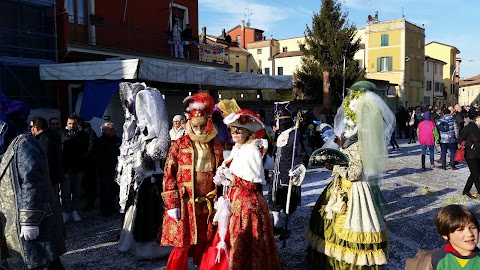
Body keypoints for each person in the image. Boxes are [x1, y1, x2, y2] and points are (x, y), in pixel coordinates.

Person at [307, 81, 395, 269]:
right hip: (341, 186)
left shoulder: (360, 144)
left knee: (351, 228)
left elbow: (354, 173)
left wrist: (336, 166)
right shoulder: (350, 140)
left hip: (354, 191)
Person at [200, 110, 281, 270]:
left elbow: (252, 184)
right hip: (235, 201)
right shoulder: (238, 149)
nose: (235, 134)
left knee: (247, 245)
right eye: (232, 131)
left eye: (239, 131)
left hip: (248, 206)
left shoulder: (251, 151)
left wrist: (230, 177)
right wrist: (224, 177)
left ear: (247, 133)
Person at [160, 92, 223, 269]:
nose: (199, 129)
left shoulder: (215, 145)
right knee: (182, 244)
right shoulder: (179, 144)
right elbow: (168, 174)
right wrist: (172, 204)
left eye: (203, 125)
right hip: (185, 203)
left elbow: (221, 173)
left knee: (205, 241)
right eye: (195, 125)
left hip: (208, 204)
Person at [116, 82, 171, 259]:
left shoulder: (154, 142)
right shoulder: (135, 136)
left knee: (150, 216)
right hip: (140, 185)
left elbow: (156, 156)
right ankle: (136, 243)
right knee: (137, 213)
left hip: (151, 186)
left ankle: (152, 246)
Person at [0, 133, 66, 270]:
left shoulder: (24, 143)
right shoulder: (8, 147)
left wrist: (29, 220)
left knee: (42, 262)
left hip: (31, 223)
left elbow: (33, 181)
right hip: (12, 223)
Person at [269, 101, 307, 239]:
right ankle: (277, 224)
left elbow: (302, 154)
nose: (276, 125)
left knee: (289, 201)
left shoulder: (294, 134)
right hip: (277, 174)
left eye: (278, 122)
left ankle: (288, 226)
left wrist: (298, 168)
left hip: (289, 174)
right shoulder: (280, 135)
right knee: (275, 199)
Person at [405, 204, 480, 269]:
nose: (469, 234)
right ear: (445, 235)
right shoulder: (436, 260)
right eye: (460, 230)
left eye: (473, 227)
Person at [60, 114, 90, 223]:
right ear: (67, 124)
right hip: (65, 168)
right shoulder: (62, 134)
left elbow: (86, 150)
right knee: (65, 192)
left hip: (78, 167)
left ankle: (74, 211)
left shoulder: (83, 135)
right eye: (70, 123)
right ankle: (65, 212)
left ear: (78, 124)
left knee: (76, 191)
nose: (72, 125)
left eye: (74, 123)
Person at [30, 116, 64, 201]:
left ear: (36, 128)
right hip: (53, 176)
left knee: (50, 200)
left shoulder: (45, 140)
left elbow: (45, 159)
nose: (30, 129)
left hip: (48, 176)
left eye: (31, 127)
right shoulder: (50, 136)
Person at [96, 122, 121, 216]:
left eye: (114, 129)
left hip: (116, 168)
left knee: (114, 189)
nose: (113, 131)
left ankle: (112, 206)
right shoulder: (100, 141)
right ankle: (104, 209)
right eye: (111, 129)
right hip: (105, 169)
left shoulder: (117, 140)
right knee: (105, 189)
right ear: (105, 130)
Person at [459, 111, 480, 199]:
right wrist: (469, 145)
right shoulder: (470, 127)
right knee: (477, 176)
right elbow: (461, 139)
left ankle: (466, 190)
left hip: (479, 154)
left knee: (474, 173)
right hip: (471, 155)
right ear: (476, 118)